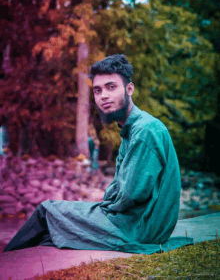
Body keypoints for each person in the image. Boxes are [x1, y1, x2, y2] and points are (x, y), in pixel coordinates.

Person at [4, 54, 193, 254]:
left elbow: (130, 193)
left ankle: (5, 261)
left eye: (111, 87)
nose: (103, 96)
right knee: (53, 231)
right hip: (134, 222)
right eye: (97, 90)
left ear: (129, 89)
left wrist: (105, 207)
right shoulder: (131, 130)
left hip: (137, 228)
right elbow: (119, 186)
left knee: (46, 211)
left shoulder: (144, 130)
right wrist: (107, 203)